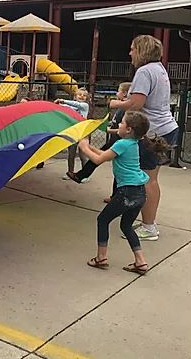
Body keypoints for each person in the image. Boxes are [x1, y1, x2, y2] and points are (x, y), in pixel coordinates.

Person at [109, 35, 178, 241]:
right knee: (151, 179)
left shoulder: (144, 71)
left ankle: (149, 227)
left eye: (133, 49)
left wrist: (115, 104)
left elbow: (136, 103)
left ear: (142, 51)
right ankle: (149, 223)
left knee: (147, 180)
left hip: (152, 132)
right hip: (165, 128)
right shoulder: (159, 69)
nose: (130, 53)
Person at [78, 111, 158, 276]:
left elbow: (98, 160)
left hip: (126, 192)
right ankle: (140, 261)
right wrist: (90, 147)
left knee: (103, 220)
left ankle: (101, 258)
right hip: (139, 192)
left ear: (128, 129)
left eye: (121, 123)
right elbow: (105, 155)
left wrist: (84, 147)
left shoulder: (122, 143)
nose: (119, 125)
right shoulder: (133, 143)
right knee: (126, 226)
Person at [67, 82, 132, 202]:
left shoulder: (125, 110)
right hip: (116, 138)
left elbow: (124, 130)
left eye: (118, 90)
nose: (116, 93)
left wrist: (86, 147)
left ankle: (82, 175)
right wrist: (108, 130)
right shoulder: (122, 109)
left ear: (124, 94)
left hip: (119, 140)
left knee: (101, 158)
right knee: (113, 164)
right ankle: (114, 195)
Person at [55, 88, 90, 180]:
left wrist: (63, 100)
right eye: (79, 94)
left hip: (83, 133)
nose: (82, 96)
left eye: (84, 95)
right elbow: (64, 107)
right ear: (75, 96)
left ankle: (85, 174)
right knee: (71, 154)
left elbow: (76, 104)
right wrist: (58, 104)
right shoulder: (70, 107)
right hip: (73, 132)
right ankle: (70, 172)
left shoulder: (84, 106)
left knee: (83, 155)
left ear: (86, 98)